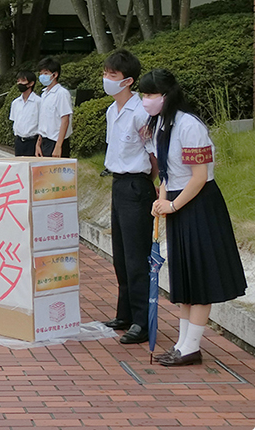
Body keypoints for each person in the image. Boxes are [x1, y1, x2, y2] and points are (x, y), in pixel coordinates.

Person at [141, 69, 246, 366]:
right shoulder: (161, 124)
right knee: (185, 278)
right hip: (176, 201)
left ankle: (191, 347)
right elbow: (167, 172)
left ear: (167, 95)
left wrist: (173, 206)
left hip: (198, 204)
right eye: (144, 94)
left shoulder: (190, 126)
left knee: (200, 278)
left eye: (150, 95)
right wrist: (161, 198)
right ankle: (182, 345)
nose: (145, 100)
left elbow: (199, 178)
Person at [102, 50, 158, 345]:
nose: (106, 79)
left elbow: (153, 154)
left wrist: (154, 184)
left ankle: (141, 321)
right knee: (121, 255)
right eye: (106, 73)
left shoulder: (141, 113)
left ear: (128, 81)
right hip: (118, 184)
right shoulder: (113, 111)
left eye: (112, 76)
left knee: (137, 257)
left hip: (137, 186)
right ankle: (124, 313)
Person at [36, 57, 73, 158]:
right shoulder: (44, 94)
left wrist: (58, 146)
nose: (42, 76)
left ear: (55, 74)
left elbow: (65, 120)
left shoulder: (62, 93)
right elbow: (44, 121)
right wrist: (38, 143)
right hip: (45, 141)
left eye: (46, 73)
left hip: (56, 141)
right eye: (41, 74)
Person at [9, 70, 41, 156]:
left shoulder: (38, 102)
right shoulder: (15, 103)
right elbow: (14, 120)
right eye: (18, 81)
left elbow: (43, 123)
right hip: (19, 141)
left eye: (23, 81)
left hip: (33, 141)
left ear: (31, 83)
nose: (19, 83)